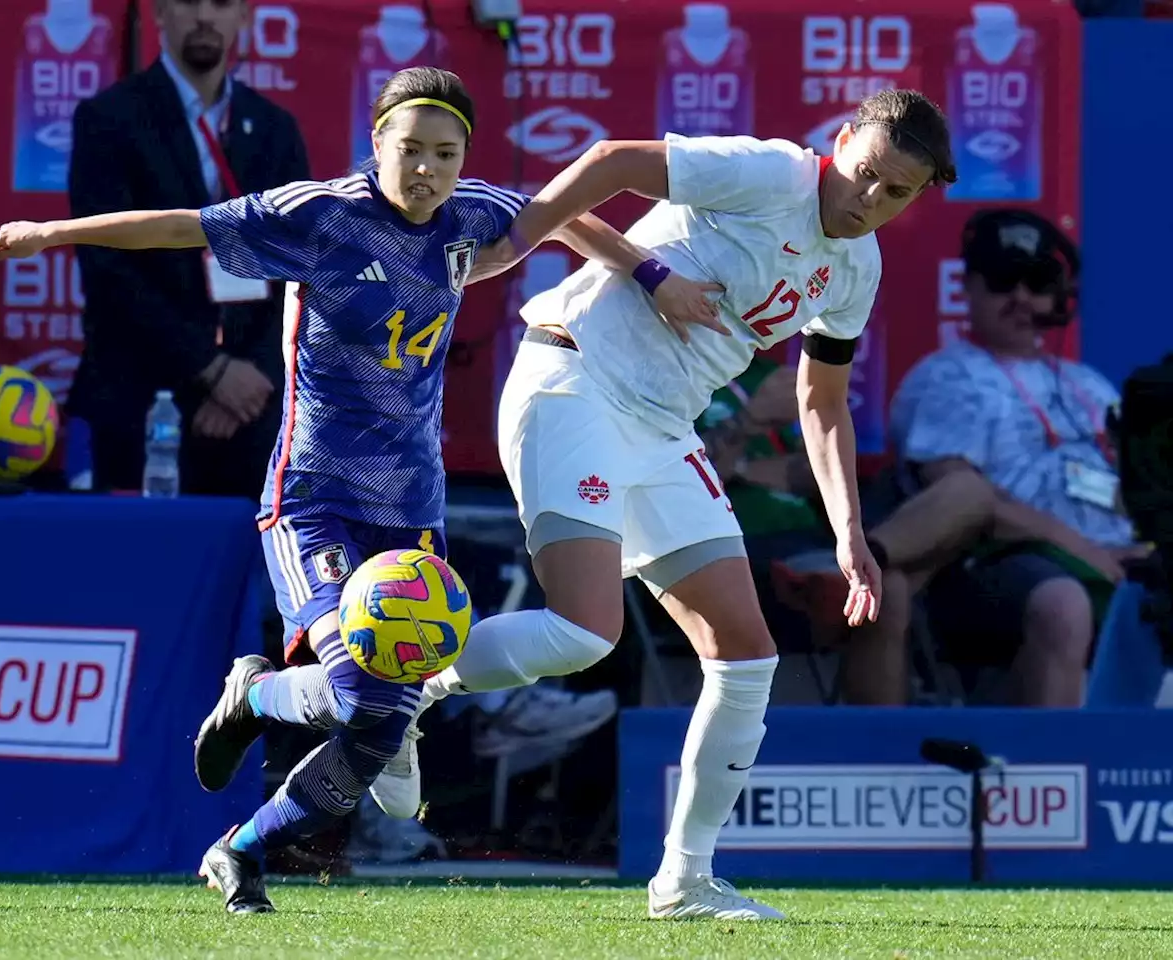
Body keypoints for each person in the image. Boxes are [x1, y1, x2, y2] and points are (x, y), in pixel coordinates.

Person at [0, 67, 721, 914]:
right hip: (313, 501)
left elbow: (560, 219)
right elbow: (182, 227)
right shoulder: (321, 217)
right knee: (366, 692)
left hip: (412, 514)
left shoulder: (469, 212)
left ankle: (240, 848)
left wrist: (654, 277)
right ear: (377, 146)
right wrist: (51, 232)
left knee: (376, 724)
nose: (428, 169)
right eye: (411, 150)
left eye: (446, 153)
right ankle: (254, 693)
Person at [372, 88, 956, 920]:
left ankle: (684, 880)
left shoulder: (857, 269)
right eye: (865, 175)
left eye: (896, 192)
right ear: (840, 144)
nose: (869, 201)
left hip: (660, 426)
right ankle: (403, 695)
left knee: (747, 657)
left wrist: (849, 532)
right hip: (572, 377)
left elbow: (821, 401)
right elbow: (611, 162)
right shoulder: (770, 172)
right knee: (584, 631)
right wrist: (540, 250)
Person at [890, 209, 1147, 706]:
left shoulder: (1090, 385)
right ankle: (1056, 771)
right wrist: (1081, 549)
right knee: (1063, 603)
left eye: (1037, 283)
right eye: (1005, 281)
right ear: (970, 286)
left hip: (1112, 556)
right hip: (994, 560)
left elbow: (1135, 486)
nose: (1022, 298)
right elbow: (960, 496)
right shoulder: (946, 377)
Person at [67, 0, 309, 497]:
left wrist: (254, 374)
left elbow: (301, 266)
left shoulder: (275, 129)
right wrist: (210, 369)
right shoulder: (109, 120)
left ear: (243, 15)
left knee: (248, 569)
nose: (204, 17)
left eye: (220, 4)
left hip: (253, 410)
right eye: (188, 2)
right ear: (158, 14)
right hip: (140, 401)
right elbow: (108, 270)